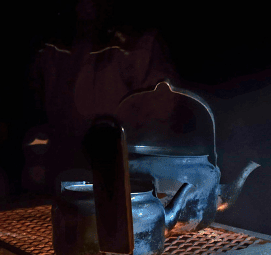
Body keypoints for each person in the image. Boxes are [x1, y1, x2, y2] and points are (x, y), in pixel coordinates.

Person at [23, 0, 175, 194]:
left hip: (123, 177)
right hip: (61, 173)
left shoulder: (138, 45)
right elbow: (34, 118)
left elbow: (159, 123)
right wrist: (37, 160)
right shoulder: (50, 47)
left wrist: (129, 170)